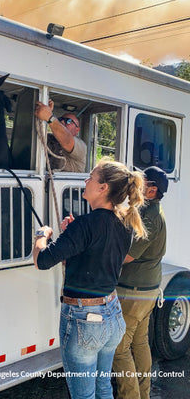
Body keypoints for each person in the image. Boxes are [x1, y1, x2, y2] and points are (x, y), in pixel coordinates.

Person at [33, 159, 147, 399]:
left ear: (103, 188)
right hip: (112, 315)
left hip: (84, 319)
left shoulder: (84, 226)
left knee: (84, 395)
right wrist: (71, 236)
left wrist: (42, 235)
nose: (86, 181)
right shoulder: (124, 224)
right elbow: (94, 256)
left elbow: (42, 260)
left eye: (91, 177)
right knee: (103, 387)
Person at [113, 166, 168, 399]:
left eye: (142, 182)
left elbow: (128, 255)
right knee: (139, 343)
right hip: (147, 290)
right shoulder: (149, 211)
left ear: (152, 190)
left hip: (133, 292)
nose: (136, 184)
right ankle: (143, 394)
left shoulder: (149, 217)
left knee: (118, 348)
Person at [35, 100, 87, 172]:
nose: (62, 122)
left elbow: (67, 140)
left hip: (68, 183)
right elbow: (35, 135)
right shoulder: (50, 137)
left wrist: (50, 118)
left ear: (77, 130)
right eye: (60, 119)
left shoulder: (81, 146)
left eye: (68, 121)